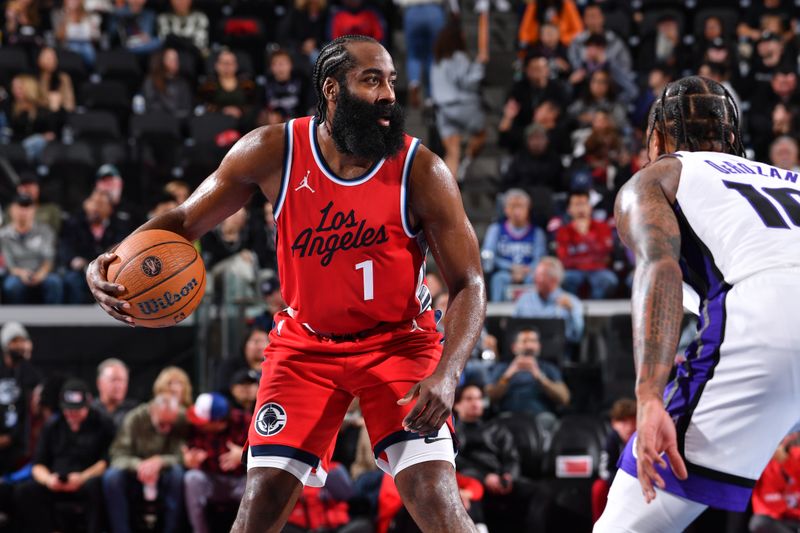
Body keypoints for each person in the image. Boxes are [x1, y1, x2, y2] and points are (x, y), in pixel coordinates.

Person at [87, 34, 486, 533]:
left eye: (390, 80)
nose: (388, 94)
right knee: (260, 504)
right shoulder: (273, 150)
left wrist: (447, 373)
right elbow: (184, 222)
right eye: (371, 80)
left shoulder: (421, 169)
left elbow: (469, 281)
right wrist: (106, 262)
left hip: (399, 342)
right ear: (332, 90)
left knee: (435, 500)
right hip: (305, 346)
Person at [595, 76, 800, 531]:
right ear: (731, 137)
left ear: (657, 137)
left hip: (768, 319)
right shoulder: (793, 179)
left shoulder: (660, 174)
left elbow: (659, 269)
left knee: (626, 523)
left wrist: (649, 397)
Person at [14, 379, 115, 533]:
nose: (71, 414)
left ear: (87, 404)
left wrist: (82, 478)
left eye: (77, 410)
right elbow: (38, 464)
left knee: (96, 487)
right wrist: (49, 480)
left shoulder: (103, 424)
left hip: (86, 481)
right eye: (68, 410)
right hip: (55, 483)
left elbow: (107, 461)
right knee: (24, 491)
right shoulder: (52, 425)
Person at [103, 393, 187, 533]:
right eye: (162, 423)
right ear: (152, 410)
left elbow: (184, 457)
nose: (166, 428)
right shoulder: (134, 418)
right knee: (112, 477)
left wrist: (161, 461)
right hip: (134, 475)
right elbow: (117, 455)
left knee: (178, 474)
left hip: (165, 475)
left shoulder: (181, 419)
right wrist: (139, 465)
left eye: (170, 424)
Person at [453, 383, 529, 533]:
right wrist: (485, 477)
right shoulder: (452, 433)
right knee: (469, 492)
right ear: (456, 405)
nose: (475, 403)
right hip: (473, 480)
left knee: (539, 493)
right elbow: (458, 462)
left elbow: (511, 457)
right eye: (469, 399)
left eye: (479, 398)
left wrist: (508, 476)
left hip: (502, 479)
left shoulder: (497, 428)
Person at [183, 392, 250, 533]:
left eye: (202, 422)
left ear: (218, 422)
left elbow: (267, 457)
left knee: (254, 486)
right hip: (212, 480)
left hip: (240, 481)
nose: (197, 423)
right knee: (192, 478)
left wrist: (244, 455)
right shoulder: (194, 427)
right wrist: (189, 459)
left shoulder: (245, 422)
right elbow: (186, 449)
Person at [430, 18, 488, 180]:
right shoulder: (459, 57)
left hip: (442, 110)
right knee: (481, 134)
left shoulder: (436, 61)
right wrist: (479, 64)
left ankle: (450, 185)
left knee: (452, 152)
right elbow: (469, 83)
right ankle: (467, 160)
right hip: (462, 106)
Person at [486, 328, 570, 428]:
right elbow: (489, 397)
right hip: (508, 416)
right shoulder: (502, 368)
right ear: (514, 347)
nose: (529, 345)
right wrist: (507, 376)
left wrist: (540, 377)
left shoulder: (549, 368)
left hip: (540, 417)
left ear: (539, 346)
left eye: (533, 341)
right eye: (524, 341)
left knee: (548, 421)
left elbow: (564, 398)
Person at [60, 189, 130, 303]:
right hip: (81, 270)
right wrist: (73, 259)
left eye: (100, 204)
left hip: (110, 270)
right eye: (93, 203)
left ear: (110, 208)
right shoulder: (74, 223)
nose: (95, 208)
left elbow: (123, 246)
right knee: (72, 280)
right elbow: (65, 247)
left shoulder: (119, 224)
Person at [481, 189, 547, 302]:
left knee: (536, 279)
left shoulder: (537, 232)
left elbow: (540, 259)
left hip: (529, 274)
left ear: (528, 208)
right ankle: (497, 317)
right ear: (505, 209)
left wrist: (526, 270)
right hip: (504, 273)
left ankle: (535, 315)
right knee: (498, 279)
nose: (517, 211)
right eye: (512, 206)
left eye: (520, 206)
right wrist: (511, 268)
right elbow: (488, 256)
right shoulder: (496, 230)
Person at [0, 194, 63, 304]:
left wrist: (41, 273)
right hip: (16, 274)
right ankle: (16, 319)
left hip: (42, 272)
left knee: (54, 282)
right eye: (20, 207)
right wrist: (21, 273)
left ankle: (52, 319)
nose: (23, 211)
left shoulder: (45, 231)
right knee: (11, 286)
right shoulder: (4, 235)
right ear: (12, 210)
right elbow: (8, 263)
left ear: (33, 210)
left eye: (27, 207)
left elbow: (49, 258)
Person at [555, 189, 618, 299]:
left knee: (609, 280)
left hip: (598, 270)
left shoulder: (602, 227)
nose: (580, 209)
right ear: (569, 209)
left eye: (583, 204)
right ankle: (573, 308)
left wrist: (587, 237)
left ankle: (598, 310)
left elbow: (606, 256)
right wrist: (589, 260)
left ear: (590, 207)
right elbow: (564, 260)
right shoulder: (563, 231)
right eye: (576, 205)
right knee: (565, 279)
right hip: (574, 271)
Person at [0, 322, 41, 475]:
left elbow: (33, 411)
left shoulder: (30, 373)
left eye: (21, 341)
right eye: (14, 341)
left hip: (19, 444)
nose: (18, 346)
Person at [513, 257, 584, 344]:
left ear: (554, 279)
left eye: (540, 275)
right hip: (528, 352)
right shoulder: (524, 300)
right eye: (535, 275)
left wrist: (571, 311)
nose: (535, 279)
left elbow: (577, 336)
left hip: (558, 353)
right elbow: (514, 332)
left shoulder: (571, 302)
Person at [592, 397, 636, 522]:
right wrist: (620, 483)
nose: (629, 427)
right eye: (623, 422)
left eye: (633, 421)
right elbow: (604, 470)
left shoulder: (643, 440)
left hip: (640, 484)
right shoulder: (612, 440)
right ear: (614, 423)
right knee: (599, 487)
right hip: (617, 483)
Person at [750, 434, 800, 533]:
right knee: (759, 522)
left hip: (796, 516)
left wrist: (786, 461)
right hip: (776, 518)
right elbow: (750, 488)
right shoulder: (761, 462)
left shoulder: (797, 454)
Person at [141, 47, 193, 119]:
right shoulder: (151, 80)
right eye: (171, 59)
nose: (175, 62)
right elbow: (149, 105)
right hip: (156, 121)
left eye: (176, 59)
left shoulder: (183, 83)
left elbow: (187, 109)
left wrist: (173, 115)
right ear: (162, 60)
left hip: (177, 123)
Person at [92, 358, 138, 429]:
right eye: (113, 380)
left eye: (122, 380)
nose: (118, 386)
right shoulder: (90, 410)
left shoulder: (135, 411)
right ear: (99, 383)